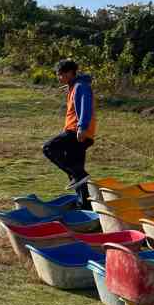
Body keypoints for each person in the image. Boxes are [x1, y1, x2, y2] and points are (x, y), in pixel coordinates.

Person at [42, 59, 97, 207]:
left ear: (70, 73)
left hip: (77, 132)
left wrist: (82, 127)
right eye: (57, 74)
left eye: (60, 74)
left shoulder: (81, 86)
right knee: (76, 169)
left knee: (48, 148)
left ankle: (78, 174)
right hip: (78, 131)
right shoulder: (74, 86)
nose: (58, 77)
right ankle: (85, 205)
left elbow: (86, 106)